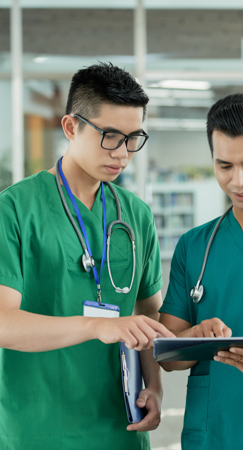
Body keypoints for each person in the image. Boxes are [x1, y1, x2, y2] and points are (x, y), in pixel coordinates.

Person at [0, 62, 173, 450]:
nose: (123, 153)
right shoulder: (12, 210)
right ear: (71, 127)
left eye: (133, 138)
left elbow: (148, 315)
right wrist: (96, 327)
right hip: (33, 428)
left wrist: (154, 387)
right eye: (110, 136)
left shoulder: (135, 215)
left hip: (118, 427)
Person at [159, 93, 243, 450]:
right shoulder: (196, 246)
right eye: (225, 166)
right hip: (214, 433)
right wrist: (195, 334)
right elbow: (167, 357)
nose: (238, 181)